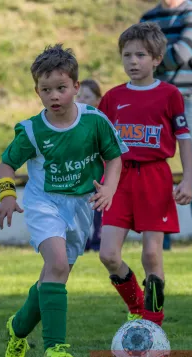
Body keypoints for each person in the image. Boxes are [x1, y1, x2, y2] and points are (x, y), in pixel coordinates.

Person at [0, 44, 128, 357]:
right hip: (44, 205)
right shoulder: (32, 130)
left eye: (61, 88)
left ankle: (17, 328)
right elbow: (6, 165)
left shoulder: (94, 121)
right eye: (46, 90)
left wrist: (109, 187)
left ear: (75, 87)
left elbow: (114, 156)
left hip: (80, 207)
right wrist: (7, 196)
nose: (54, 96)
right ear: (37, 91)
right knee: (55, 262)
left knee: (53, 278)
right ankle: (55, 349)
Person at [97, 22, 192, 327]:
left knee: (152, 255)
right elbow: (97, 143)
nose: (133, 61)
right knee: (108, 254)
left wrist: (188, 178)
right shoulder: (112, 98)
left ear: (156, 59)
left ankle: (153, 321)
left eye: (140, 55)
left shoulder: (169, 95)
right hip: (119, 180)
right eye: (127, 55)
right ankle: (137, 305)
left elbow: (184, 137)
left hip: (155, 178)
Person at [141, 0, 192, 251]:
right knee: (153, 171)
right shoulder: (148, 18)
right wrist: (146, 58)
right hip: (155, 100)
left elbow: (181, 54)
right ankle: (160, 241)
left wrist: (149, 57)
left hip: (187, 101)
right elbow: (139, 58)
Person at [76, 79, 104, 252]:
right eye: (79, 96)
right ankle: (82, 241)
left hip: (99, 174)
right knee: (80, 209)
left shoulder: (100, 121)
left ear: (97, 100)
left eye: (87, 96)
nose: (82, 100)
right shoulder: (71, 121)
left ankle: (98, 241)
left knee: (98, 210)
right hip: (80, 174)